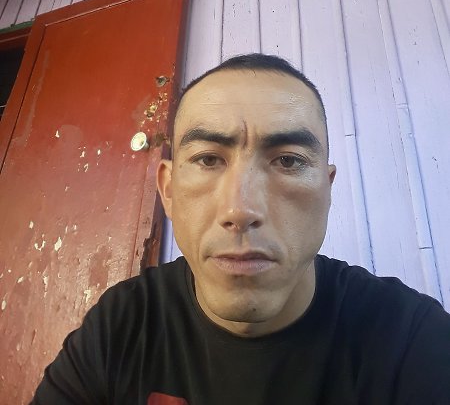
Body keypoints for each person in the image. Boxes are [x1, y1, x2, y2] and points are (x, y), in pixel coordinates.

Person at [31, 53, 450, 404]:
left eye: (288, 160)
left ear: (327, 189)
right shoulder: (123, 323)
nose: (241, 209)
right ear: (169, 190)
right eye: (208, 159)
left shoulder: (411, 339)